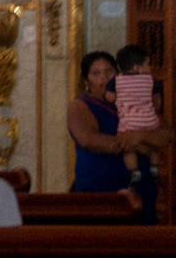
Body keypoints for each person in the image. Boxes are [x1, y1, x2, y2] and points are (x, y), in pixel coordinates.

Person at [69, 49, 161, 223]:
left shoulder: (133, 101)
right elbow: (89, 140)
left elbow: (164, 134)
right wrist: (141, 143)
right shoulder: (79, 106)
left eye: (109, 71)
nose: (104, 78)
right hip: (100, 186)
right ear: (86, 81)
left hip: (140, 187)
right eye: (96, 74)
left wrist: (145, 139)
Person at [113, 43, 165, 186]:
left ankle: (134, 171)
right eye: (147, 65)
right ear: (137, 67)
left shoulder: (118, 80)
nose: (150, 68)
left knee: (128, 149)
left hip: (129, 123)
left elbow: (111, 97)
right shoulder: (151, 80)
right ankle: (154, 168)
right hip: (150, 120)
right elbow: (157, 103)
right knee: (155, 146)